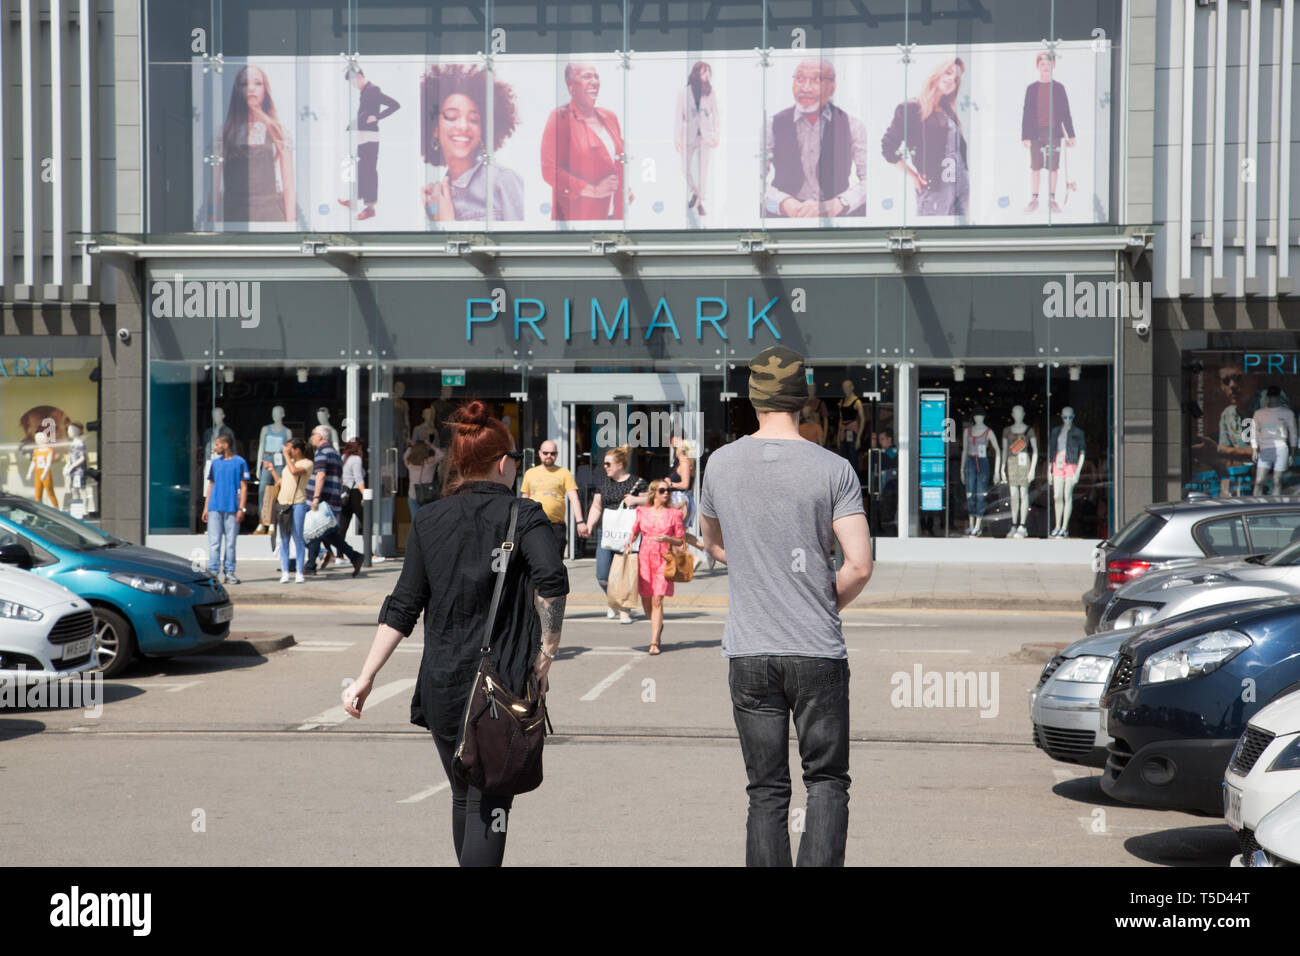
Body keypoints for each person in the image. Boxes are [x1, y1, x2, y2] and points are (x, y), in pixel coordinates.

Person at [342, 402, 569, 867]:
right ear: (503, 463)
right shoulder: (524, 515)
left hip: (444, 685)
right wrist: (545, 657)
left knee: (463, 792)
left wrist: (365, 676)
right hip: (501, 686)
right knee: (493, 801)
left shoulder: (429, 519)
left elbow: (402, 606)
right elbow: (553, 581)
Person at [699, 345, 873, 867]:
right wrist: (820, 602)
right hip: (816, 651)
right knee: (826, 781)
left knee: (766, 790)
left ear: (752, 401)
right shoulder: (833, 468)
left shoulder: (720, 464)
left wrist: (757, 567)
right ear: (806, 403)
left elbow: (712, 543)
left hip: (750, 653)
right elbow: (859, 564)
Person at [763, 59, 867, 219]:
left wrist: (840, 203)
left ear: (833, 87)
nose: (805, 88)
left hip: (835, 217)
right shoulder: (772, 124)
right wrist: (783, 202)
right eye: (799, 79)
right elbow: (752, 180)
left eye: (816, 80)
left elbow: (870, 180)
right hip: (784, 217)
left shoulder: (853, 125)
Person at [420, 64, 523, 222]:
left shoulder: (502, 181)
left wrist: (447, 223)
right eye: (451, 116)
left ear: (484, 129)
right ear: (434, 128)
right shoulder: (437, 196)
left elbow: (521, 243)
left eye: (474, 120)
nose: (463, 126)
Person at [881, 58, 969, 217]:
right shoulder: (911, 108)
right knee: (934, 237)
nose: (951, 79)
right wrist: (913, 175)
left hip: (960, 189)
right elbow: (888, 148)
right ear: (936, 73)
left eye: (956, 79)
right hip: (935, 189)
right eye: (948, 73)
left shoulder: (949, 112)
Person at [541, 63, 629, 221]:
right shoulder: (561, 117)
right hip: (578, 218)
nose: (594, 81)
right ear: (571, 85)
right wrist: (592, 190)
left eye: (596, 76)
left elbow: (614, 161)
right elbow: (549, 170)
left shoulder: (610, 117)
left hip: (613, 216)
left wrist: (623, 188)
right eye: (587, 76)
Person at [579, 445, 648, 624]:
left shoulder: (637, 482)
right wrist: (588, 524)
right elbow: (596, 506)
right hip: (607, 533)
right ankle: (614, 600)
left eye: (608, 464)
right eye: (604, 464)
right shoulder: (604, 484)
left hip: (628, 534)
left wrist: (636, 500)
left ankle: (624, 610)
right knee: (602, 574)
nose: (605, 467)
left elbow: (651, 500)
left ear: (619, 464)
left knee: (626, 574)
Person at [218, 65, 295, 223]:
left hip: (270, 216)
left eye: (258, 83)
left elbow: (289, 188)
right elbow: (213, 186)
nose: (251, 88)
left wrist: (290, 227)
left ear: (265, 90)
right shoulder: (224, 132)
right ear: (237, 90)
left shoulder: (278, 131)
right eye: (244, 84)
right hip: (233, 217)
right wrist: (211, 221)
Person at [624, 479, 685, 655]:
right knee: (646, 600)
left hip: (663, 558)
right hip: (644, 559)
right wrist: (629, 542)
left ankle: (654, 641)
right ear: (653, 493)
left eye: (668, 491)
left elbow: (680, 540)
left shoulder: (674, 514)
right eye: (662, 490)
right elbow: (635, 532)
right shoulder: (641, 511)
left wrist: (667, 539)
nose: (666, 493)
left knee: (657, 599)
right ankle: (657, 624)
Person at [339, 66, 401, 222]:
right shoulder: (366, 90)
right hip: (363, 134)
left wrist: (378, 117)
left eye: (353, 82)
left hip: (370, 135)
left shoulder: (373, 89)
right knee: (361, 169)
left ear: (359, 76)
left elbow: (395, 105)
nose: (353, 86)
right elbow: (363, 113)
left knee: (369, 171)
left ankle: (370, 208)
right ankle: (354, 201)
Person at [305, 426, 364, 577]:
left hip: (323, 499)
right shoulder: (335, 453)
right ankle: (355, 557)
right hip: (332, 499)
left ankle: (310, 566)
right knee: (329, 534)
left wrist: (316, 498)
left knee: (313, 532)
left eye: (313, 434)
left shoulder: (322, 452)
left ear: (320, 437)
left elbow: (321, 475)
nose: (311, 437)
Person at [1021, 52, 1076, 214]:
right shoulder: (1031, 89)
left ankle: (1052, 199)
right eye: (1042, 64)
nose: (1046, 67)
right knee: (1035, 166)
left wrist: (1071, 134)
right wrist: (1025, 136)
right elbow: (1026, 112)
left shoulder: (1059, 88)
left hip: (1054, 133)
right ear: (1038, 66)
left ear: (1053, 66)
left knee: (1053, 167)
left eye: (1048, 64)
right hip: (1035, 133)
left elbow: (1066, 112)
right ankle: (1034, 198)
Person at [201, 435, 250, 585]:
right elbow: (211, 485)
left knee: (230, 542)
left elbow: (244, 486)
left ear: (226, 445)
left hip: (232, 508)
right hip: (215, 507)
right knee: (214, 542)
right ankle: (213, 572)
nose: (215, 448)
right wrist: (206, 507)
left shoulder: (240, 462)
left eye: (217, 444)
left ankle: (229, 572)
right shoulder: (215, 463)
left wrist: (241, 508)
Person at [520, 440, 582, 556]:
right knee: (536, 559)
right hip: (534, 524)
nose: (549, 456)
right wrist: (522, 520)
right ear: (539, 453)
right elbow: (525, 498)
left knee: (557, 561)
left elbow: (573, 498)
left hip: (556, 526)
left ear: (557, 454)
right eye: (546, 453)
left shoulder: (564, 473)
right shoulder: (530, 473)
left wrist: (580, 522)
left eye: (553, 453)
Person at [263, 437, 312, 583]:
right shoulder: (289, 465)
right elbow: (282, 483)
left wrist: (285, 455)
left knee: (298, 538)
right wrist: (272, 470)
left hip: (297, 503)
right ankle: (284, 571)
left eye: (290, 448)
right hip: (283, 505)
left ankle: (299, 572)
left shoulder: (307, 463)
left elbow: (295, 472)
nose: (287, 450)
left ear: (297, 450)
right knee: (284, 539)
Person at [675, 61, 720, 217]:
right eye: (703, 72)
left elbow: (716, 115)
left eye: (708, 72)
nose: (706, 75)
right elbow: (678, 117)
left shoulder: (710, 92)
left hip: (705, 137)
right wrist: (677, 138)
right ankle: (694, 191)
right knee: (685, 168)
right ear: (696, 74)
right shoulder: (684, 92)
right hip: (688, 135)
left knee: (703, 171)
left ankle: (701, 202)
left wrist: (716, 136)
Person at [664, 436, 696, 528]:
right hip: (683, 499)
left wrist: (670, 484)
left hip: (680, 500)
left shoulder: (684, 464)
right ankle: (704, 543)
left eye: (675, 448)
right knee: (681, 535)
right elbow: (692, 487)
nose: (674, 451)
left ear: (679, 450)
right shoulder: (687, 463)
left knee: (677, 534)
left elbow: (685, 485)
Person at [404, 439, 444, 510]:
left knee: (415, 519)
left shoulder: (410, 464)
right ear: (425, 450)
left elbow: (404, 457)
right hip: (427, 495)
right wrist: (430, 445)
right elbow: (441, 455)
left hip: (413, 496)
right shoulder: (429, 462)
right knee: (426, 519)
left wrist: (412, 447)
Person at [340, 438, 366, 537]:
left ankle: (339, 551)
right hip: (355, 493)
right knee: (366, 522)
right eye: (361, 448)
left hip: (345, 493)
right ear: (357, 448)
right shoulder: (356, 459)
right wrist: (364, 495)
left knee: (343, 524)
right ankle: (368, 550)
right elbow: (358, 479)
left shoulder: (343, 458)